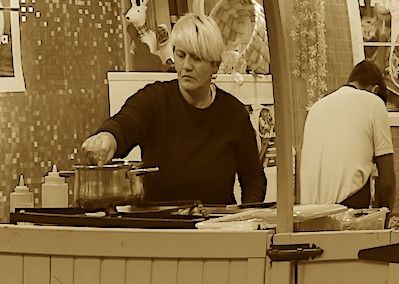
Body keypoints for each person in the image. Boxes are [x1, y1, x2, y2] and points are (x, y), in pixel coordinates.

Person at [81, 13, 265, 206]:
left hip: (216, 223)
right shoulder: (154, 100)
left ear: (215, 65)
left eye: (196, 58)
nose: (186, 66)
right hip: (161, 223)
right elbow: (125, 123)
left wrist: (246, 216)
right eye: (181, 55)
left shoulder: (234, 114)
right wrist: (107, 137)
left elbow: (254, 180)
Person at [299, 59, 396, 210]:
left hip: (308, 213)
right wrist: (385, 218)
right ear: (375, 90)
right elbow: (388, 183)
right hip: (347, 212)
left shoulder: (316, 108)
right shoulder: (374, 103)